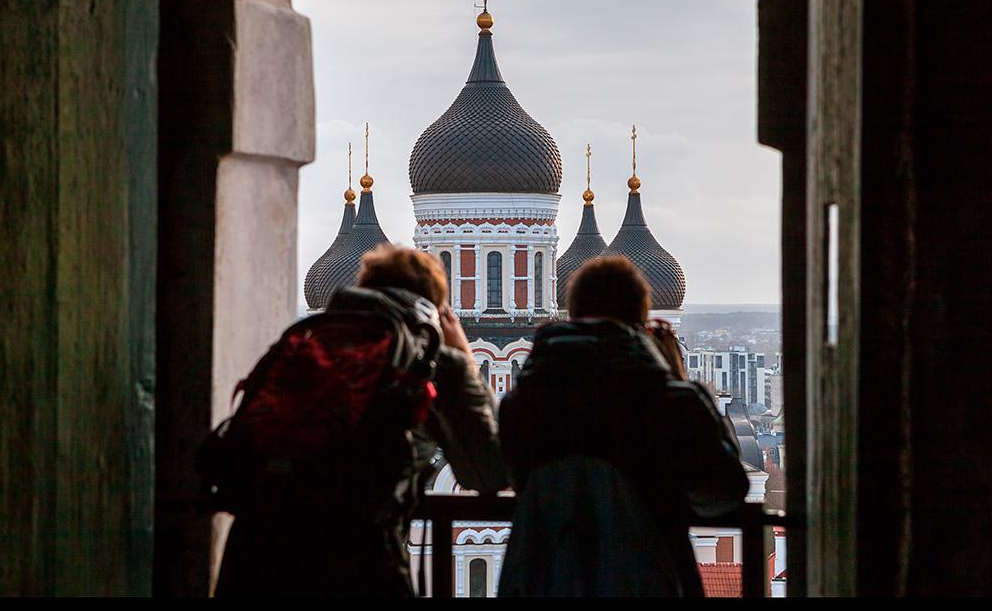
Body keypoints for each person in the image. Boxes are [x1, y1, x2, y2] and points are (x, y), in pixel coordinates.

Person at [213, 245, 507, 597]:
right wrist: (466, 360)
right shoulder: (430, 361)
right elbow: (489, 473)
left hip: (254, 556)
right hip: (357, 561)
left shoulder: (299, 344)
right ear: (434, 307)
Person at [498, 257, 749, 597]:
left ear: (572, 315)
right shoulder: (669, 404)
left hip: (543, 582)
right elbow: (724, 493)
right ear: (639, 320)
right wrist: (678, 379)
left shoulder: (521, 408)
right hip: (647, 582)